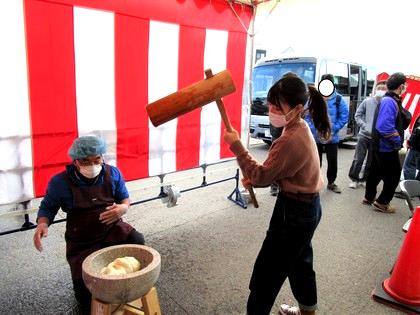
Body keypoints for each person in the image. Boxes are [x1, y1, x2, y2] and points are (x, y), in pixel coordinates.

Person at [223, 73, 331, 315]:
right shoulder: (299, 126)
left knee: (268, 272)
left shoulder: (291, 138)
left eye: (277, 105)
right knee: (300, 263)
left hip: (293, 213)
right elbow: (284, 170)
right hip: (308, 209)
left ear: (298, 108)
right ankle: (307, 312)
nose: (271, 109)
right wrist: (262, 175)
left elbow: (262, 176)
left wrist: (237, 146)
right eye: (271, 103)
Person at [33, 135, 145, 313]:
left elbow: (124, 198)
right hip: (82, 239)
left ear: (102, 157)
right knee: (85, 297)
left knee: (137, 240)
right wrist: (42, 224)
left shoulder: (112, 173)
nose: (92, 165)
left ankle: (128, 283)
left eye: (97, 160)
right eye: (85, 161)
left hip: (112, 229)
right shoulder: (60, 182)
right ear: (75, 161)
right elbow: (48, 207)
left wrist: (123, 208)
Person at [364, 72, 411, 213]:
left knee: (375, 172)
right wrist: (397, 140)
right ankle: (382, 202)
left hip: (379, 145)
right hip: (386, 146)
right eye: (405, 85)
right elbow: (384, 126)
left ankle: (369, 197)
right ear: (401, 86)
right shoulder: (389, 102)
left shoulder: (389, 99)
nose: (406, 87)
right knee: (394, 175)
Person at [305, 74, 349, 193]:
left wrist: (332, 129)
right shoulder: (313, 99)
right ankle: (314, 182)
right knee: (315, 161)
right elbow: (306, 116)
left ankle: (331, 182)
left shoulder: (339, 99)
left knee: (332, 161)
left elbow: (344, 117)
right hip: (315, 136)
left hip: (332, 137)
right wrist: (316, 129)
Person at [348, 81, 387, 188]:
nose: (381, 91)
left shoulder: (385, 104)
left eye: (384, 89)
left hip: (376, 137)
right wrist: (364, 125)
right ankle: (354, 179)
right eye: (379, 88)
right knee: (359, 158)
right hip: (364, 135)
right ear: (375, 90)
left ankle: (364, 179)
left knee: (371, 161)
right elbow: (357, 115)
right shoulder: (367, 101)